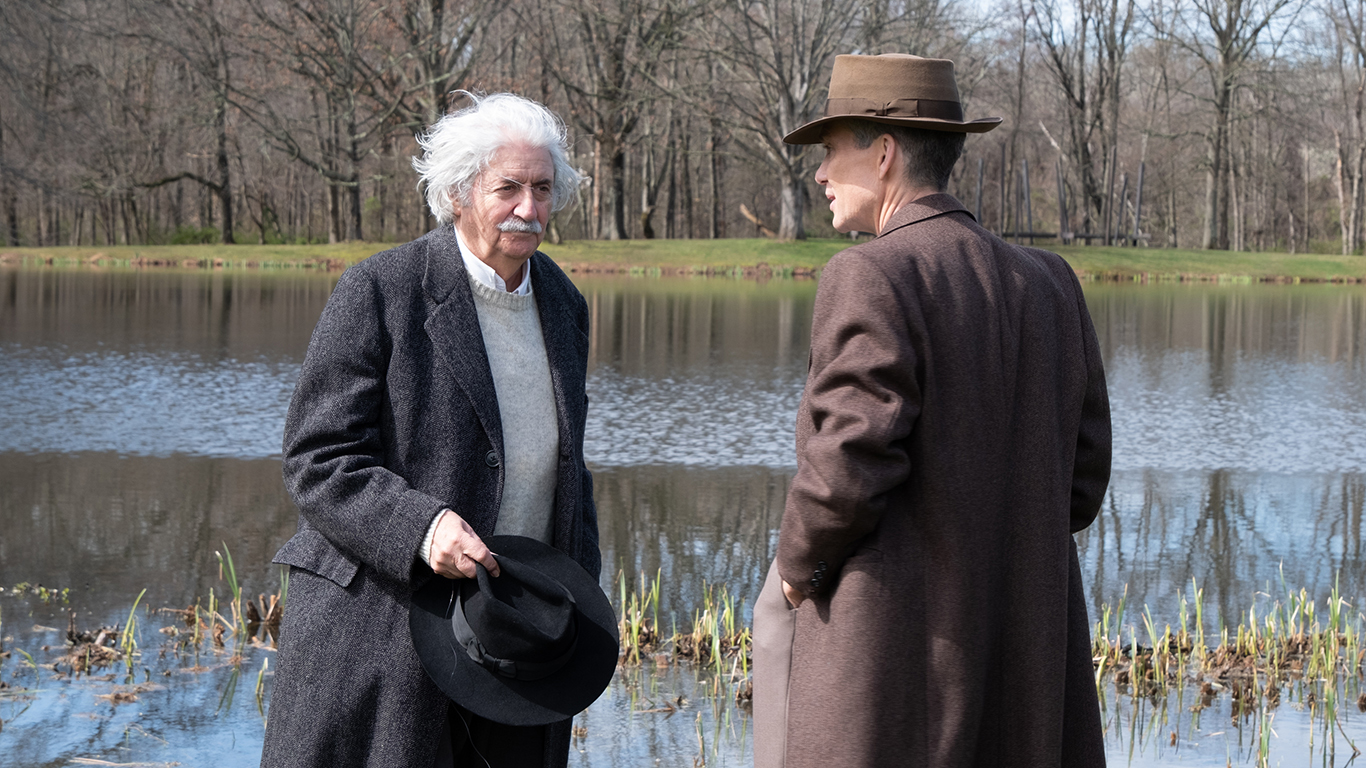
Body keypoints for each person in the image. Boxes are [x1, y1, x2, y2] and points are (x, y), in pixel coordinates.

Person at [752, 54, 1112, 767]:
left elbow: (848, 463)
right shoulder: (1050, 282)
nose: (820, 175)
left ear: (883, 153)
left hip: (890, 663)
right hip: (1026, 660)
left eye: (830, 151)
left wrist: (795, 568)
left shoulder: (871, 273)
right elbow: (1083, 481)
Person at [260, 92, 599, 768]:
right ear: (456, 193)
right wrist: (420, 528)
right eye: (508, 188)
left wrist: (579, 602)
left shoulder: (564, 304)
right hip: (380, 633)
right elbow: (318, 459)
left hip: (512, 635)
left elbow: (566, 466)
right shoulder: (382, 290)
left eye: (542, 188)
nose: (530, 208)